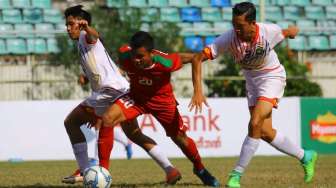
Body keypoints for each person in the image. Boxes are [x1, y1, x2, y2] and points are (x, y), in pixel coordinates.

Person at [188, 2, 317, 188]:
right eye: (233, 24)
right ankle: (306, 156)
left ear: (252, 23)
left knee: (255, 122)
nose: (236, 30)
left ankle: (235, 175)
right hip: (251, 81)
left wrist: (292, 31)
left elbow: (285, 33)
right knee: (264, 131)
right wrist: (198, 91)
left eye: (239, 26)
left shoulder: (268, 31)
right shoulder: (228, 38)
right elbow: (197, 58)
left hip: (272, 76)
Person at [62, 5, 181, 185]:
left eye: (71, 24)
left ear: (81, 24)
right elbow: (100, 64)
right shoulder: (81, 42)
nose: (68, 28)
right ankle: (170, 169)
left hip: (110, 91)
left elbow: (95, 35)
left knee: (71, 122)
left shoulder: (86, 36)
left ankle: (88, 171)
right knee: (133, 134)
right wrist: (86, 77)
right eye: (67, 24)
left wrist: (87, 28)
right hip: (118, 89)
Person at [102, 31, 220, 187]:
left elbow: (195, 58)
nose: (136, 60)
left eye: (140, 56)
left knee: (180, 139)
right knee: (108, 119)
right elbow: (121, 66)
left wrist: (198, 90)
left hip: (163, 102)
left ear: (151, 53)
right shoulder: (125, 55)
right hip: (137, 98)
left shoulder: (166, 62)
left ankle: (200, 169)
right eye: (133, 56)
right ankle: (102, 171)